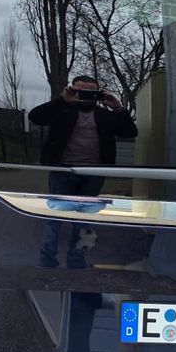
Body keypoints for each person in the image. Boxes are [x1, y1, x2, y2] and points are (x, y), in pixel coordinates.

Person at [28, 75, 137, 267]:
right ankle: (47, 258)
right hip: (63, 171)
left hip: (94, 173)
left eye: (91, 92)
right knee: (55, 217)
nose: (86, 96)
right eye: (80, 91)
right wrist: (63, 100)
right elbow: (35, 117)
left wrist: (118, 108)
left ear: (98, 94)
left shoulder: (105, 115)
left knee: (84, 218)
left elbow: (129, 132)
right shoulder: (63, 110)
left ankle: (76, 259)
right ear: (72, 90)